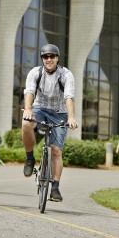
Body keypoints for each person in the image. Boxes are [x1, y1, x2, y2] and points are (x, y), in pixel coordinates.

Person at [22, 43, 77, 203]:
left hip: (59, 112)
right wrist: (28, 109)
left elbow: (68, 97)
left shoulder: (66, 75)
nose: (49, 59)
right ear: (42, 59)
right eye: (45, 57)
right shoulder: (35, 72)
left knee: (56, 151)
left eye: (52, 56)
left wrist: (71, 117)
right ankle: (30, 158)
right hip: (39, 108)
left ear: (57, 58)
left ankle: (55, 187)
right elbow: (30, 92)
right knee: (26, 124)